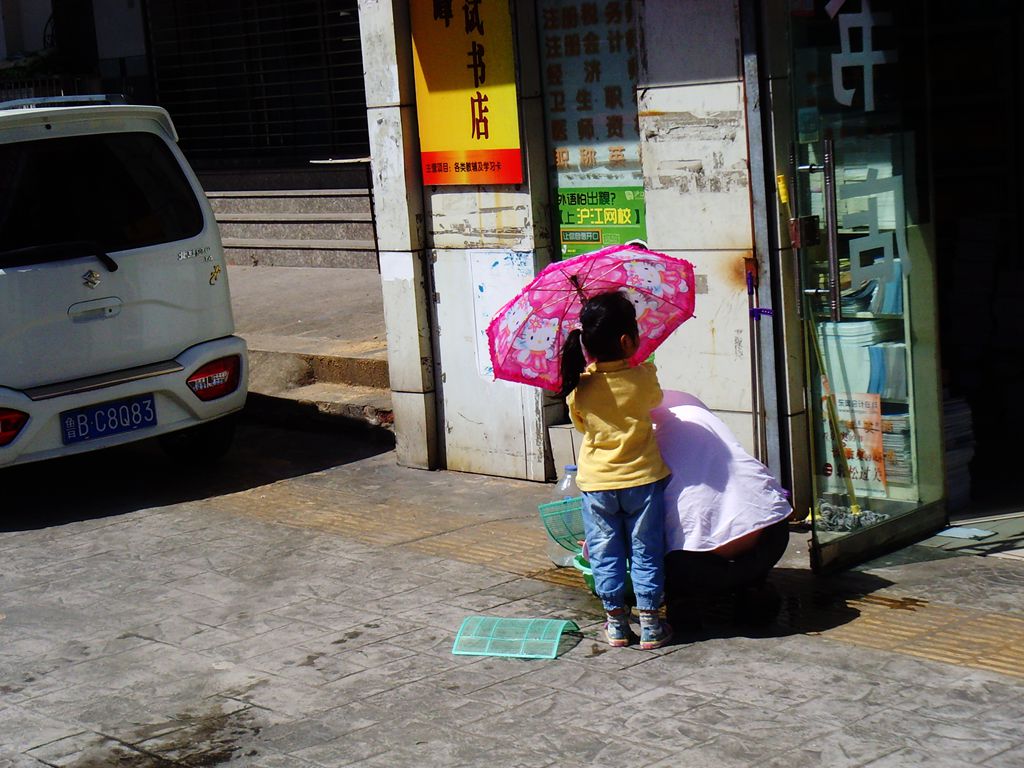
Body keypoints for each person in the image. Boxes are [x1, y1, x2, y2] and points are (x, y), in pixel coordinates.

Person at [560, 291, 673, 649]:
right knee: (646, 549)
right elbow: (655, 401)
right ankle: (651, 625)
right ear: (627, 341)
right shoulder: (642, 379)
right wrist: (645, 365)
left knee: (605, 551)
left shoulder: (581, 386)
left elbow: (581, 425)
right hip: (643, 479)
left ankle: (616, 626)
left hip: (597, 484)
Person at [651, 391, 793, 630]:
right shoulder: (701, 417)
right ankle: (752, 586)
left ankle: (685, 599)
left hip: (695, 565)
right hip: (772, 538)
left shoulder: (638, 435)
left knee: (648, 531)